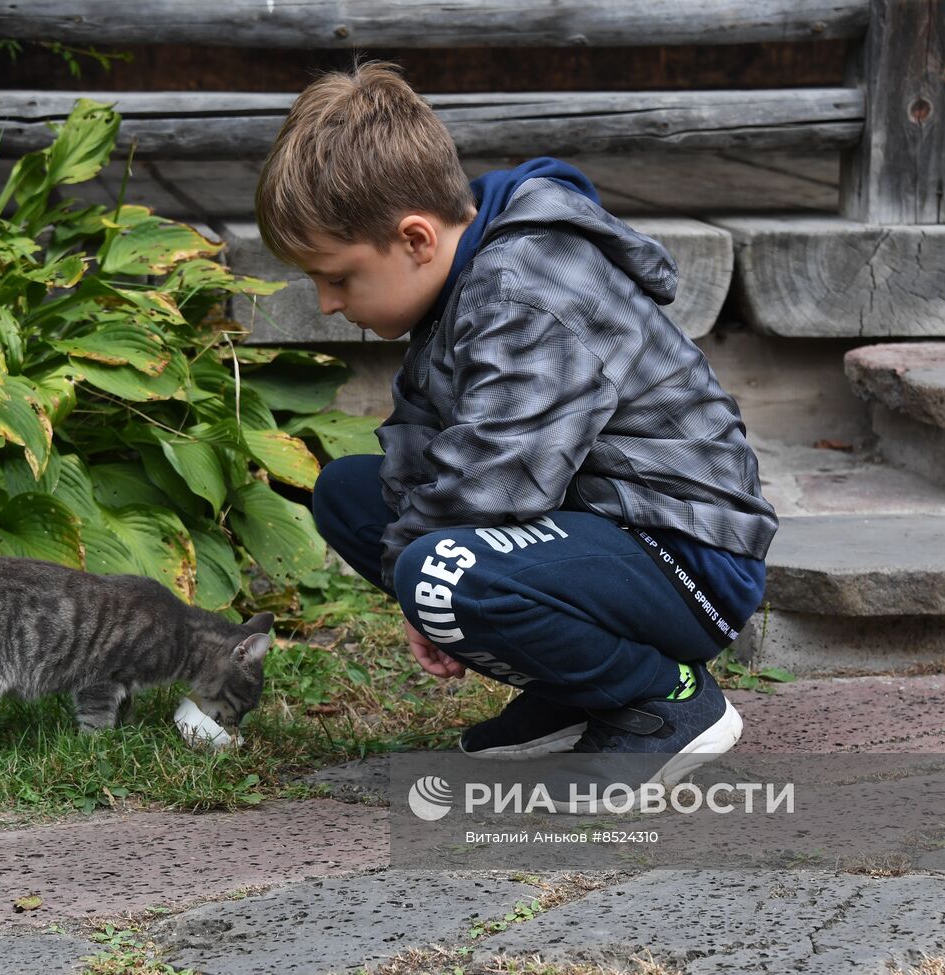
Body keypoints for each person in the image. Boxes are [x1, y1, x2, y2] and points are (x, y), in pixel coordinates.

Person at [253, 62, 778, 787]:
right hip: (596, 525)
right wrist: (417, 574)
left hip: (687, 552)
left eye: (338, 277)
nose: (327, 304)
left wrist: (426, 586)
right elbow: (420, 447)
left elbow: (498, 476)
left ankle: (666, 699)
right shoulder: (462, 278)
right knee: (348, 492)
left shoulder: (527, 287)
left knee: (436, 568)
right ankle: (575, 690)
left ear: (414, 240)